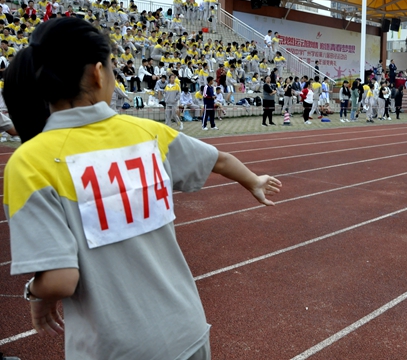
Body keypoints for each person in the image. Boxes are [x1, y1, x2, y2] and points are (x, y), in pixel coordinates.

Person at [2, 18, 282, 360]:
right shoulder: (148, 133)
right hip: (187, 328)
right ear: (98, 74)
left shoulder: (30, 163)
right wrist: (253, 181)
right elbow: (218, 159)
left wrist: (35, 294)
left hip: (117, 348)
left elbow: (60, 280)